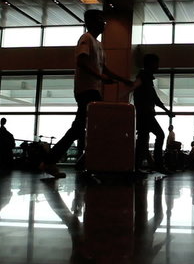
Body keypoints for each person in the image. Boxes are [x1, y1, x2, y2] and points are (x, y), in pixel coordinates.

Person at [40, 9, 132, 178]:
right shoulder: (86, 39)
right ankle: (82, 161)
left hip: (93, 89)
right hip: (86, 90)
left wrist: (122, 79)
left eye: (103, 20)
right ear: (89, 22)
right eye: (99, 20)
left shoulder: (99, 44)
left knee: (79, 128)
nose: (103, 23)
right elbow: (81, 62)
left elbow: (104, 69)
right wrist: (101, 78)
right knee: (100, 125)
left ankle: (53, 161)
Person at [133, 53, 174, 170]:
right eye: (156, 64)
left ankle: (137, 167)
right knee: (159, 135)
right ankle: (158, 165)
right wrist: (167, 111)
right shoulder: (144, 78)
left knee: (142, 141)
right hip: (146, 114)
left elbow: (154, 98)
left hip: (143, 114)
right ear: (150, 64)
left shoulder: (144, 78)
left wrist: (167, 111)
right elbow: (154, 98)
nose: (157, 66)